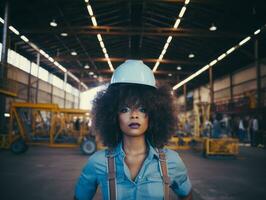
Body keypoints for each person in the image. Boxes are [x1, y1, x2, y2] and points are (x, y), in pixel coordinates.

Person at [74, 60, 192, 200]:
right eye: (125, 109)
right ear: (113, 116)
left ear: (154, 114)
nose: (134, 115)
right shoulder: (98, 162)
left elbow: (187, 195)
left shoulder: (171, 161)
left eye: (142, 109)